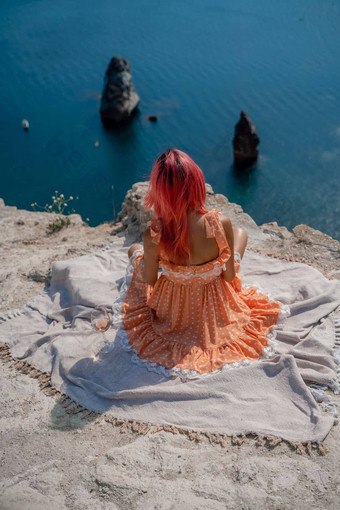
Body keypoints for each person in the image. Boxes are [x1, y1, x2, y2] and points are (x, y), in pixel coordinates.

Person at [120, 148, 283, 380]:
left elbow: (149, 280)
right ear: (197, 183)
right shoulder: (218, 224)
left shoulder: (155, 232)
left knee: (134, 250)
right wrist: (224, 261)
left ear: (158, 191)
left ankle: (141, 255)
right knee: (240, 234)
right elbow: (228, 278)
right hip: (214, 310)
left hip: (172, 312)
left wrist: (155, 262)